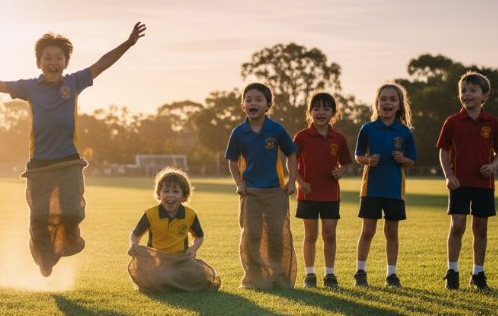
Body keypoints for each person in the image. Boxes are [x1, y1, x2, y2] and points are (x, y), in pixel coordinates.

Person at [0, 22, 146, 276]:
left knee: (73, 211)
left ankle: (69, 238)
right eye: (47, 58)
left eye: (58, 58)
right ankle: (44, 257)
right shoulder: (29, 87)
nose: (52, 62)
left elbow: (102, 63)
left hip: (69, 162)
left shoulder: (74, 82)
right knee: (39, 218)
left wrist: (128, 43)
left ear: (65, 62)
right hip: (39, 165)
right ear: (39, 63)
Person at [436, 71, 498, 290]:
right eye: (463, 91)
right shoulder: (452, 122)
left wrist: (494, 166)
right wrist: (449, 175)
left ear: (484, 96)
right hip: (458, 184)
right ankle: (452, 271)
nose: (467, 94)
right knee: (457, 226)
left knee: (481, 228)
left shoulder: (492, 123)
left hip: (484, 185)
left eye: (472, 90)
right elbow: (444, 151)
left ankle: (478, 273)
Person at [225, 82, 299, 289]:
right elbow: (231, 160)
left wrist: (292, 180)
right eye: (248, 100)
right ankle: (254, 278)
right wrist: (239, 183)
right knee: (251, 234)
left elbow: (292, 153)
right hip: (250, 193)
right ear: (242, 105)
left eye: (258, 99)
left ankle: (279, 276)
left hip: (276, 191)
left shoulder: (276, 129)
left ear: (268, 105)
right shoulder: (239, 132)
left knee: (277, 233)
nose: (253, 103)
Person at [354, 82, 416, 288]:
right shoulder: (368, 129)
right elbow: (358, 155)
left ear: (399, 105)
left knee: (391, 232)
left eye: (392, 99)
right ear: (377, 104)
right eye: (383, 99)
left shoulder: (405, 132)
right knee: (368, 231)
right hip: (371, 189)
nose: (387, 103)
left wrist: (402, 159)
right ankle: (360, 272)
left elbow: (412, 160)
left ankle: (391, 275)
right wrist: (367, 161)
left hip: (394, 190)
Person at [293, 92, 352, 288]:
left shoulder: (339, 138)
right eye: (316, 108)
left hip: (330, 195)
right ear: (309, 112)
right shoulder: (301, 137)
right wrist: (299, 181)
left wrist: (341, 171)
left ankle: (330, 274)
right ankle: (309, 274)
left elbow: (345, 163)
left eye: (326, 109)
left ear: (333, 113)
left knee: (330, 234)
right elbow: (291, 162)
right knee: (310, 235)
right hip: (307, 194)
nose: (321, 112)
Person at [127, 167, 219, 292]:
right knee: (155, 277)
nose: (170, 195)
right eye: (166, 191)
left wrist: (193, 249)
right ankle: (165, 280)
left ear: (184, 196)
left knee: (201, 275)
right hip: (157, 260)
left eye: (175, 191)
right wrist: (134, 244)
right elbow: (135, 234)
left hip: (180, 260)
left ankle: (170, 280)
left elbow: (199, 236)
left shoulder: (190, 214)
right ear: (159, 194)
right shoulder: (150, 214)